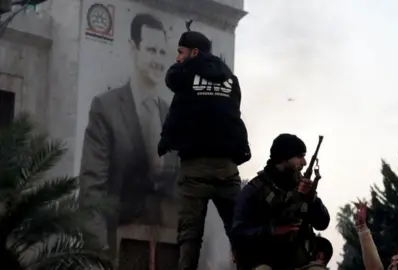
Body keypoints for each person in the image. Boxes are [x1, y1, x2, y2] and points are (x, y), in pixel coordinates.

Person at [79, 13, 180, 269]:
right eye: (151, 50)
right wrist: (98, 253)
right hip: (119, 249)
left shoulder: (174, 117)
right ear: (133, 49)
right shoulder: (106, 108)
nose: (158, 60)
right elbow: (92, 188)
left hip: (167, 250)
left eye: (162, 52)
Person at [157, 30, 251, 270]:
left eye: (180, 52)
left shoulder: (185, 73)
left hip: (196, 166)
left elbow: (171, 78)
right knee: (239, 231)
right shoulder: (231, 79)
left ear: (194, 52)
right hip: (227, 167)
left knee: (189, 235)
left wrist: (185, 64)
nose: (178, 57)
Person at [231, 133, 330, 270]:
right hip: (264, 261)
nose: (304, 162)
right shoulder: (255, 190)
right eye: (300, 156)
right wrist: (273, 231)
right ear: (284, 158)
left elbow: (323, 223)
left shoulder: (302, 186)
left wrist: (311, 199)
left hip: (299, 262)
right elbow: (238, 234)